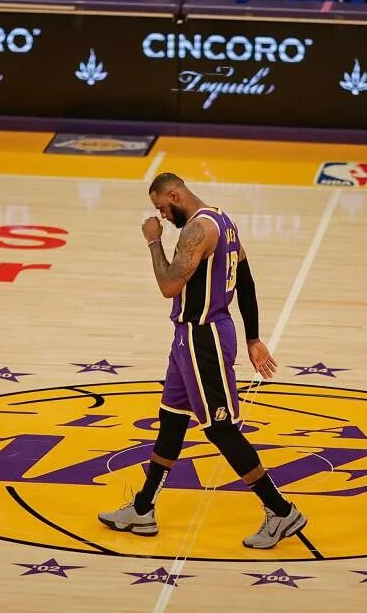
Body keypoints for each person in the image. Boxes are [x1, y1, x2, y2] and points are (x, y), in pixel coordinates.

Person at [98, 173, 308, 550]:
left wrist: (152, 242)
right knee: (172, 420)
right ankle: (144, 508)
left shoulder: (197, 231)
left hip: (204, 337)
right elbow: (245, 277)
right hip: (187, 337)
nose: (161, 216)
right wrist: (253, 336)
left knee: (220, 429)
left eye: (162, 207)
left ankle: (280, 511)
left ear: (175, 195)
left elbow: (168, 286)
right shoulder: (224, 221)